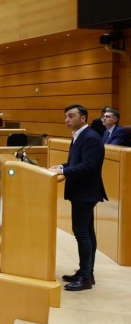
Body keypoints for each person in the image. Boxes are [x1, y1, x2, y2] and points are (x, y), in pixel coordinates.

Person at [49, 104, 107, 291]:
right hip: (83, 191)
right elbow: (78, 162)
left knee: (82, 233)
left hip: (86, 192)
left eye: (71, 116)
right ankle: (86, 272)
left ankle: (85, 277)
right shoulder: (79, 136)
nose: (67, 120)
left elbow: (89, 166)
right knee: (87, 232)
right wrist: (61, 166)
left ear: (83, 118)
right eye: (66, 116)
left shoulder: (90, 137)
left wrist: (65, 170)